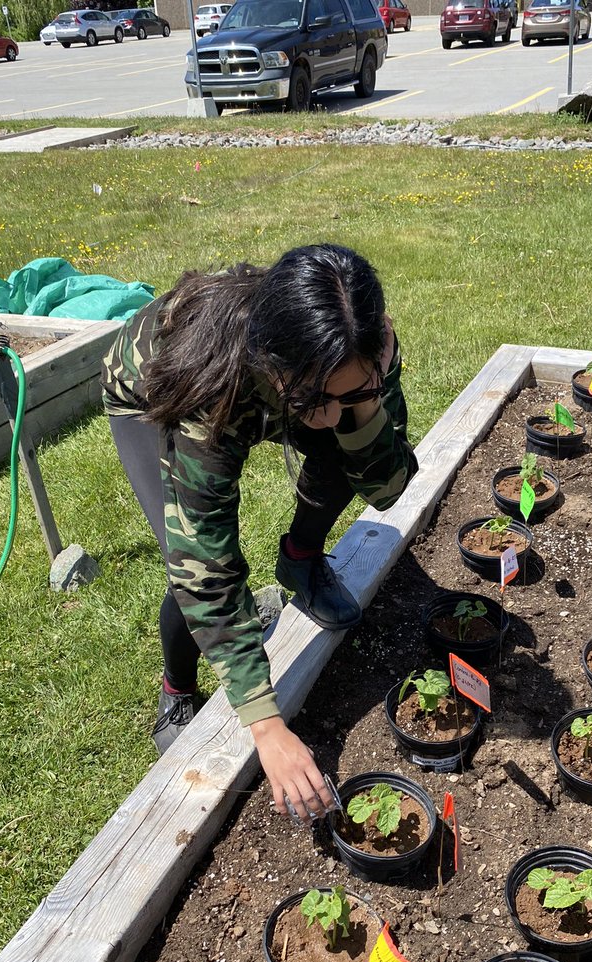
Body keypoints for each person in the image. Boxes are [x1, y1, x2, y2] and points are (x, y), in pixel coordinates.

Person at [101, 243, 418, 823]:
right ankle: (176, 689)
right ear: (276, 369)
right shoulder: (213, 385)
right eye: (311, 400)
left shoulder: (364, 345)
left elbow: (386, 488)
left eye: (350, 391)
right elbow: (205, 567)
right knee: (184, 563)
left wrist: (366, 409)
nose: (326, 416)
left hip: (299, 377)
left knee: (340, 451)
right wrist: (267, 725)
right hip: (155, 388)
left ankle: (300, 558)